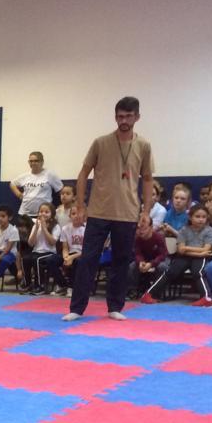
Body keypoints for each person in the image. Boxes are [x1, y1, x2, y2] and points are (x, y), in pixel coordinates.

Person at [65, 96, 154, 322]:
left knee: (121, 261)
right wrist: (80, 204)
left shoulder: (143, 145)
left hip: (127, 212)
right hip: (98, 211)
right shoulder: (101, 142)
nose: (123, 120)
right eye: (119, 116)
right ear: (115, 117)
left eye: (128, 116)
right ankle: (77, 308)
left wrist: (146, 211)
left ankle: (115, 306)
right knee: (88, 259)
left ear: (137, 117)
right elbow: (83, 173)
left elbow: (147, 179)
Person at [142, 203, 212, 305]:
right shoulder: (184, 230)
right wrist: (198, 252)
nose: (200, 219)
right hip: (186, 256)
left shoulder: (209, 231)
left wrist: (188, 249)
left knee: (197, 272)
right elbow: (181, 250)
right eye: (197, 216)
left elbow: (206, 249)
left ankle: (206, 297)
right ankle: (149, 294)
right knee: (170, 271)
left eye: (203, 217)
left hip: (200, 258)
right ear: (190, 217)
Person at [11, 151, 63, 234]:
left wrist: (63, 204)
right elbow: (12, 183)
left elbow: (61, 190)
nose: (33, 163)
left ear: (42, 162)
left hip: (43, 215)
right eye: (31, 161)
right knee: (24, 241)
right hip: (25, 214)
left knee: (41, 240)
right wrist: (18, 194)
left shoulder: (49, 174)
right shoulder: (25, 176)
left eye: (36, 161)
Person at [25, 203, 67, 295]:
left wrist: (44, 228)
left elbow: (52, 242)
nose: (43, 214)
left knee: (37, 259)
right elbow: (30, 243)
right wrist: (36, 228)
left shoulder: (56, 226)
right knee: (26, 259)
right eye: (41, 212)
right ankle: (27, 284)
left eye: (46, 212)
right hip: (36, 251)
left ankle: (40, 286)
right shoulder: (35, 225)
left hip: (49, 252)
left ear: (52, 214)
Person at [127, 215, 168, 299]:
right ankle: (132, 290)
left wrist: (151, 264)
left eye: (144, 228)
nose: (141, 231)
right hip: (145, 260)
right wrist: (140, 262)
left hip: (159, 260)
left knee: (162, 267)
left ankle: (156, 292)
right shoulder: (137, 239)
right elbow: (137, 253)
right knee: (132, 266)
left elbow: (162, 255)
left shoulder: (158, 237)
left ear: (151, 227)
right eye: (138, 229)